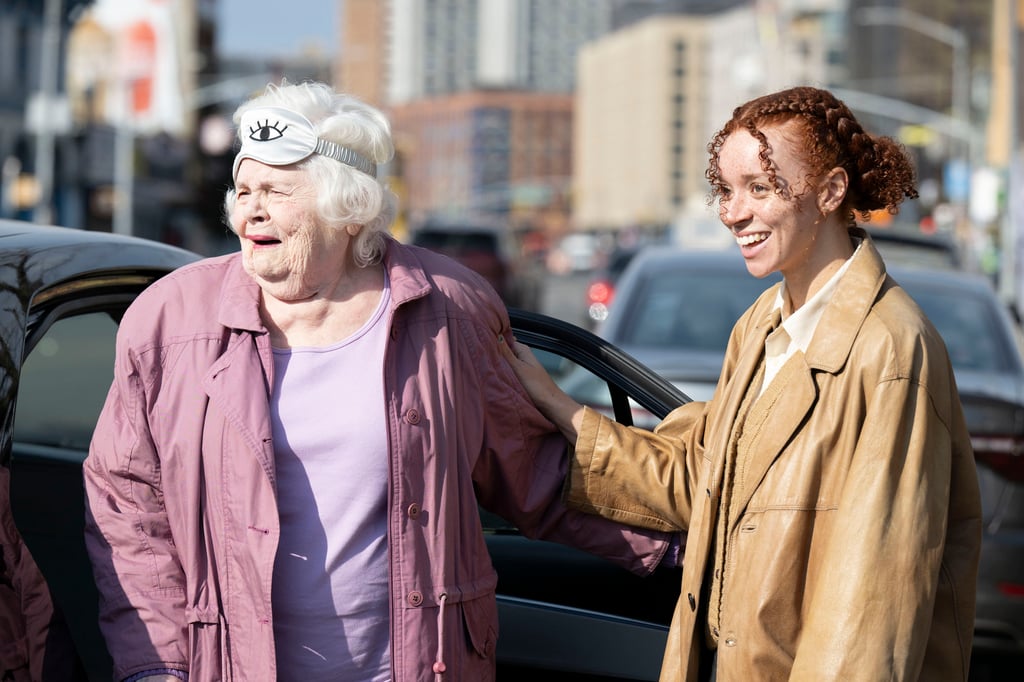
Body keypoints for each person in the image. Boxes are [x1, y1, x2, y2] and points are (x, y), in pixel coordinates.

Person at [82, 80, 674, 682]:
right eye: (243, 189)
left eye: (276, 192)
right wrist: (153, 667)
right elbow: (129, 510)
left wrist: (695, 543)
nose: (249, 210)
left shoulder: (449, 309)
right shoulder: (170, 320)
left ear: (345, 207)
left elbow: (535, 474)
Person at [500, 86, 982, 681]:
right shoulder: (761, 326)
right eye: (726, 191)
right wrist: (555, 404)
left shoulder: (889, 349)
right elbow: (700, 482)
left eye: (761, 187)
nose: (733, 212)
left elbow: (871, 612)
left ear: (830, 192)